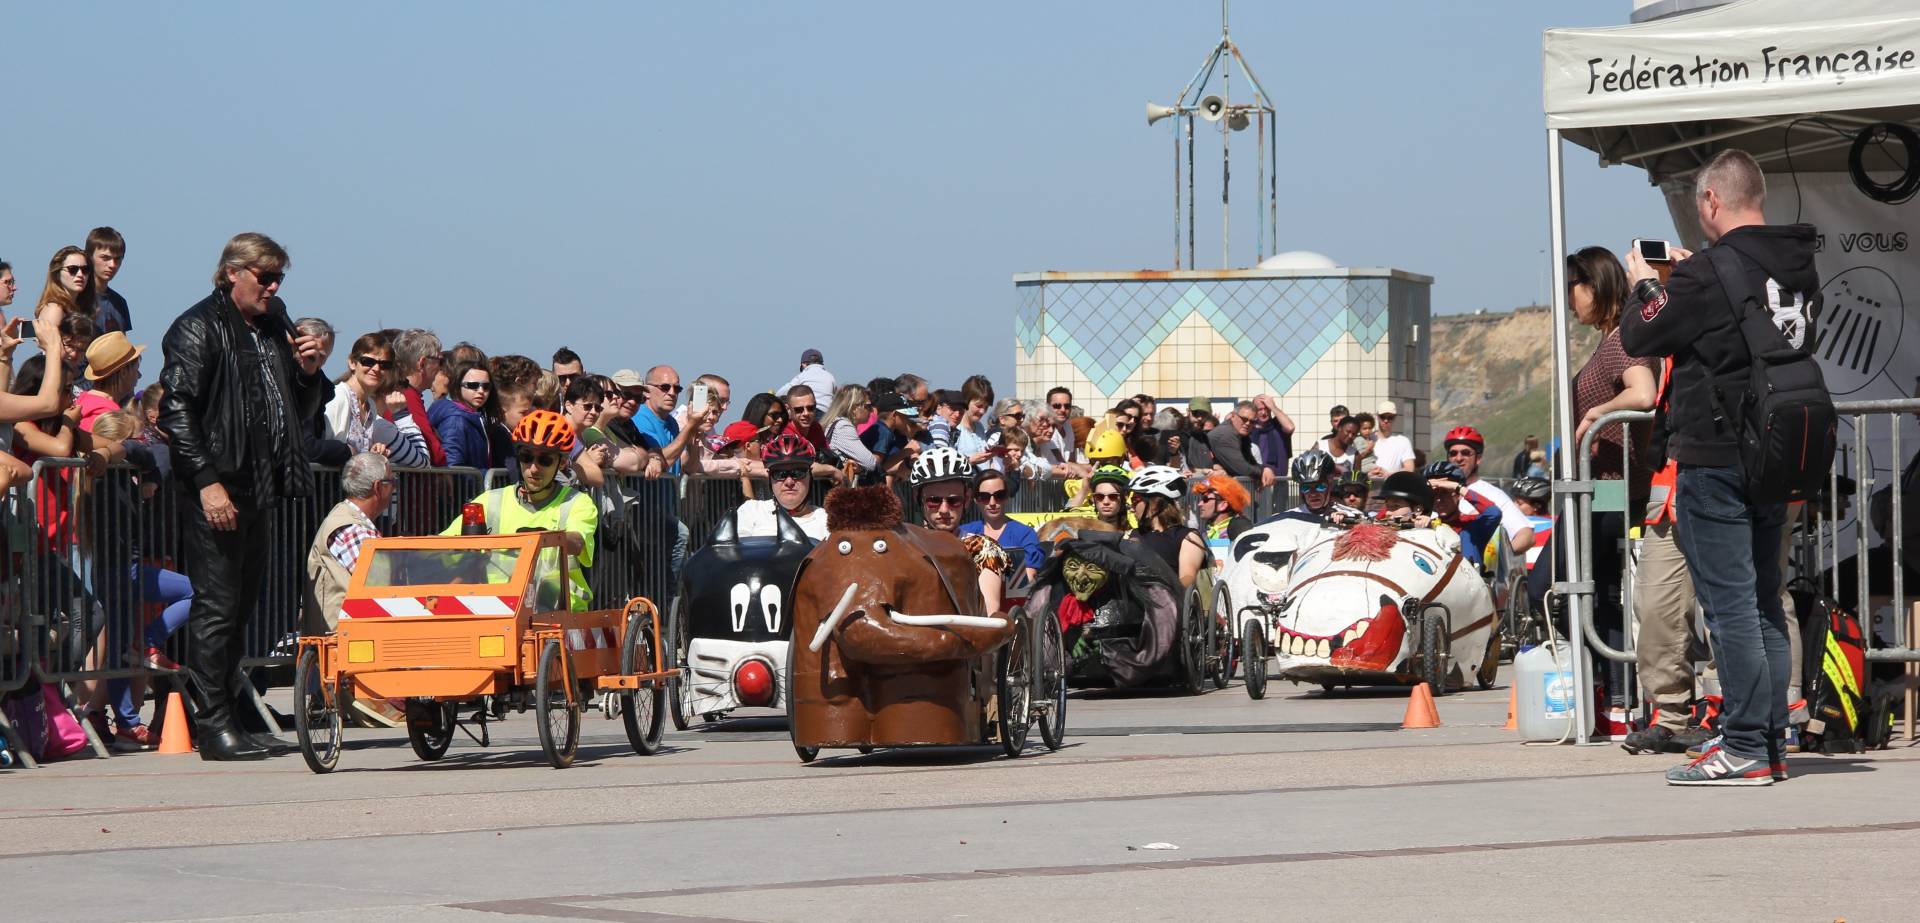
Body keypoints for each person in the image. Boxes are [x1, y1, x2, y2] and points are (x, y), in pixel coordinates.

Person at [1621, 148, 1819, 786]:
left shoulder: (1707, 273)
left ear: (1710, 200)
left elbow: (1641, 336)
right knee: (1763, 601)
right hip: (1775, 451)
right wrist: (1687, 281)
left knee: (1730, 607)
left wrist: (1646, 285)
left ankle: (1744, 745)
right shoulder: (1796, 263)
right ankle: (1770, 741)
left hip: (1715, 453)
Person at [159, 232, 327, 761]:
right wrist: (206, 481)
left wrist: (309, 372)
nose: (273, 287)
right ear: (233, 271)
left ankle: (229, 712)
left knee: (241, 608)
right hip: (219, 485)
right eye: (265, 276)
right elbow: (176, 411)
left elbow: (299, 409)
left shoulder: (273, 326)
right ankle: (211, 725)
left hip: (259, 485)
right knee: (216, 607)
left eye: (279, 278)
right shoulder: (197, 326)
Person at [1567, 245, 1659, 740]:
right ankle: (1612, 697)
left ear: (1593, 285)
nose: (1569, 300)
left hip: (1614, 486)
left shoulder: (1624, 338)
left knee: (1577, 583)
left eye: (1572, 289)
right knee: (1596, 588)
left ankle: (1616, 696)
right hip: (1603, 484)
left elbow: (1642, 393)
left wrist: (1596, 412)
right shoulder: (1609, 339)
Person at [443, 410, 599, 610]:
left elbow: (577, 542)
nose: (533, 468)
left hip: (559, 611)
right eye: (526, 457)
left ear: (561, 463)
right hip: (498, 608)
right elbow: (444, 543)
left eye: (544, 460)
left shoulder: (577, 503)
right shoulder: (490, 501)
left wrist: (541, 538)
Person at [303, 452, 396, 635]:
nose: (394, 488)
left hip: (347, 635)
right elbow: (382, 588)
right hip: (346, 639)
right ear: (378, 487)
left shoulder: (345, 516)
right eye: (393, 481)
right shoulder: (354, 531)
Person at [912, 447, 1008, 614]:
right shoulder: (907, 545)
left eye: (954, 501)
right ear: (919, 499)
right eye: (934, 501)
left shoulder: (983, 548)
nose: (944, 510)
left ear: (967, 499)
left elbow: (989, 610)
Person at [1440, 425, 1534, 555]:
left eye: (1466, 453)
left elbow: (1527, 536)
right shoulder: (1437, 491)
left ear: (1478, 459)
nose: (1458, 458)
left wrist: (1494, 559)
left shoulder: (1493, 494)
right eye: (1453, 453)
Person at [733, 433, 830, 540]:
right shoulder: (751, 510)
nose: (789, 482)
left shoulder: (828, 521)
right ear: (769, 477)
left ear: (810, 476)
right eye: (779, 474)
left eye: (798, 473)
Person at [1127, 465, 1207, 588]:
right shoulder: (1134, 534)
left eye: (1135, 501)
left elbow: (1188, 577)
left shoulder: (1187, 537)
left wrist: (1162, 592)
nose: (1132, 508)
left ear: (1155, 504)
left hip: (1170, 597)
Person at [960, 467, 1044, 584]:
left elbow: (1029, 580)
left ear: (1007, 497)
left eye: (999, 495)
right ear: (975, 499)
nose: (992, 503)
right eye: (984, 497)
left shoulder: (1025, 534)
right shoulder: (963, 533)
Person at [427, 358, 497, 469]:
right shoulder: (455, 419)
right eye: (473, 385)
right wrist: (483, 477)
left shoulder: (475, 416)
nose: (481, 391)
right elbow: (453, 467)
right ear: (457, 385)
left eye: (486, 386)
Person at [390, 328, 446, 466]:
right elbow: (435, 454)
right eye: (439, 361)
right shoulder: (406, 397)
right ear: (422, 363)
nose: (440, 368)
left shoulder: (402, 392)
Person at [1208, 400, 1274, 487]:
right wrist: (1262, 472)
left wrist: (1265, 469)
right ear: (1233, 416)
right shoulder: (1226, 434)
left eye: (1252, 421)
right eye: (1244, 419)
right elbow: (1240, 468)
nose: (1247, 423)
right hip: (1203, 486)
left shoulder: (1241, 434)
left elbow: (1250, 462)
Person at [86, 227, 131, 333]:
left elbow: (122, 341)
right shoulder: (76, 298)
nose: (112, 265)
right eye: (105, 258)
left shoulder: (119, 303)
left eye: (117, 259)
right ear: (89, 257)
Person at [1248, 394, 1294, 485]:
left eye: (1267, 408)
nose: (1263, 412)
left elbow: (1290, 427)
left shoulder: (1278, 426)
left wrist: (1273, 407)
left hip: (1278, 482)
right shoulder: (1248, 428)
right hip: (1254, 482)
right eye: (1260, 409)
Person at [1194, 473, 1253, 542]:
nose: (1199, 504)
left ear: (1223, 505)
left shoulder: (1239, 533)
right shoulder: (1205, 533)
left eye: (1205, 499)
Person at [1367, 400, 1416, 477]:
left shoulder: (1402, 441)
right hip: (1369, 483)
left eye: (1390, 417)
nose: (1386, 420)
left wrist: (1388, 474)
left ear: (1395, 418)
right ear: (1377, 416)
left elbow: (1409, 469)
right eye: (1383, 417)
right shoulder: (1368, 439)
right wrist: (1368, 474)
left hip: (1392, 483)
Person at [1084, 463, 1132, 528]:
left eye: (1113, 496)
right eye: (1099, 496)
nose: (1106, 502)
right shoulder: (1083, 525)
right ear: (1093, 498)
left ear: (1125, 497)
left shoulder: (1137, 529)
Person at [1046, 386, 1079, 461]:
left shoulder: (1067, 425)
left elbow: (1071, 460)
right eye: (1057, 406)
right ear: (1047, 407)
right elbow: (1061, 463)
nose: (1063, 410)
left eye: (1067, 406)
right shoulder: (1046, 428)